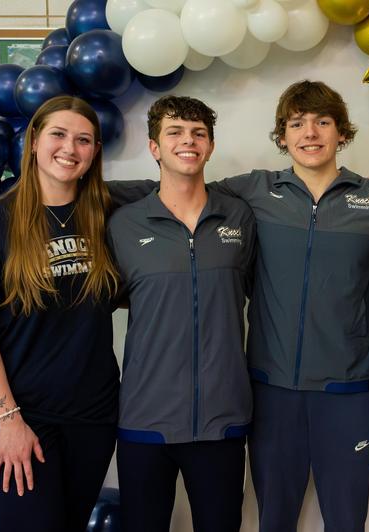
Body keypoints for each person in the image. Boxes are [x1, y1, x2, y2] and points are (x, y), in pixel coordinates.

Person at [109, 80, 369, 531]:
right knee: (273, 519)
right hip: (270, 388)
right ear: (282, 136)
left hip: (349, 390)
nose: (310, 133)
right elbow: (182, 183)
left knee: (347, 520)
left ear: (342, 134)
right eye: (297, 123)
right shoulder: (253, 191)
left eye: (323, 122)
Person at [0, 96, 120, 532]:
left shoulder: (108, 217)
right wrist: (9, 421)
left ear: (95, 152)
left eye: (83, 140)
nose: (70, 148)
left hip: (92, 418)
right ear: (35, 140)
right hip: (22, 418)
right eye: (59, 135)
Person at [107, 96, 256, 532]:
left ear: (209, 147)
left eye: (198, 134)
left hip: (221, 420)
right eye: (174, 132)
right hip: (144, 419)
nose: (187, 141)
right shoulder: (124, 225)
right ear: (154, 147)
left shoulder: (240, 218)